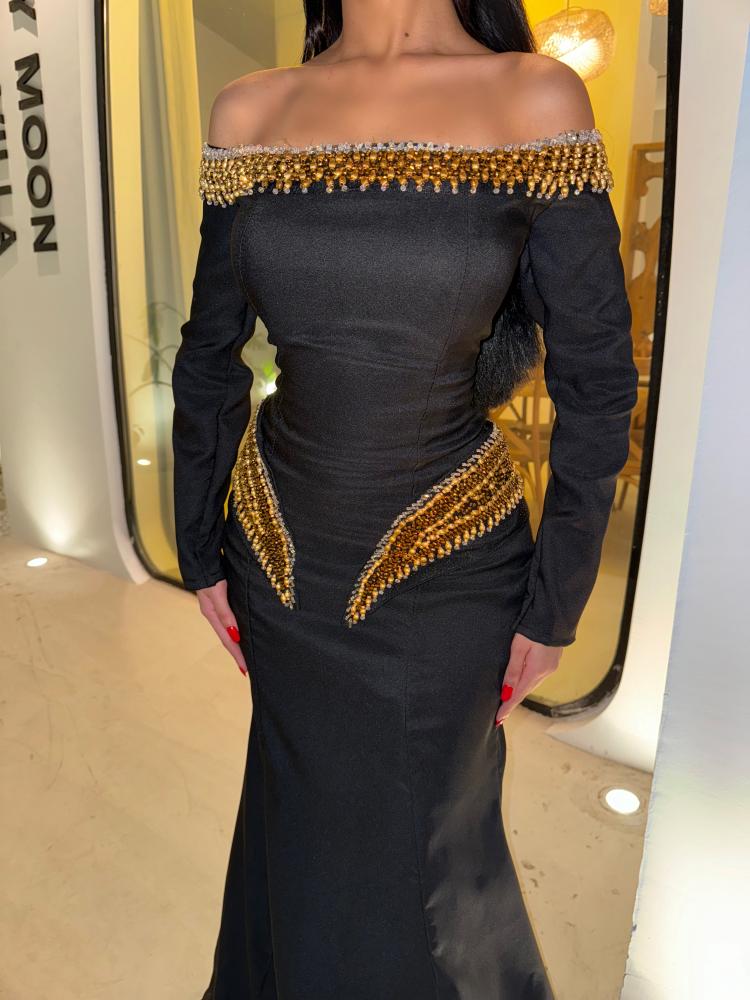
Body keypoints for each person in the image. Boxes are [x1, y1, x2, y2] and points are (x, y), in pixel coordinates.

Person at [171, 1, 639, 997]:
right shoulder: (251, 110)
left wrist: (556, 600)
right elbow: (208, 354)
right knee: (300, 819)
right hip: (280, 556)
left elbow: (598, 379)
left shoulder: (533, 98)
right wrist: (199, 545)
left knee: (426, 849)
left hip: (450, 567)